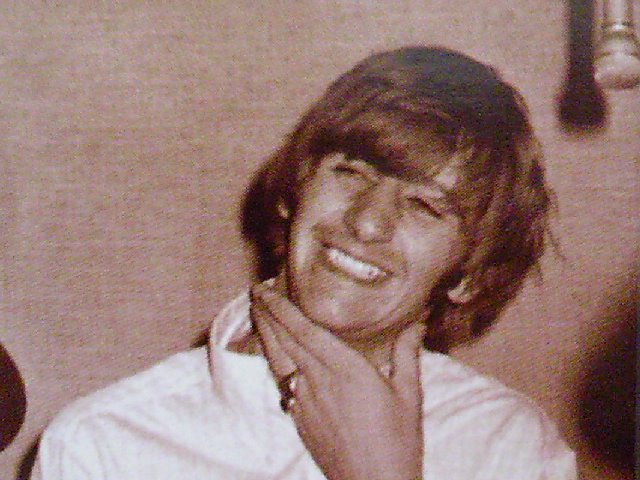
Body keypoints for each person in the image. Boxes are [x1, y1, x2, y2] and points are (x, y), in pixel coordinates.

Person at [32, 47, 577, 479]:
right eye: (352, 173)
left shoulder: (511, 448)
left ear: (469, 275)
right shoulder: (104, 443)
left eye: (425, 206)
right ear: (295, 190)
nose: (368, 223)